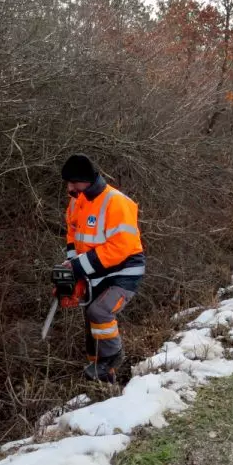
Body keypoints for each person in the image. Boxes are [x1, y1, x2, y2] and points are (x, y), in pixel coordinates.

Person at [59, 154, 145, 381]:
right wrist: (72, 266)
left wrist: (79, 266)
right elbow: (72, 233)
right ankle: (102, 379)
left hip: (125, 270)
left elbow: (120, 247)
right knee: (92, 322)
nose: (69, 188)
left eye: (72, 182)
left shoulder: (116, 202)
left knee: (99, 311)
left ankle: (114, 356)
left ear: (85, 179)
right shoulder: (77, 201)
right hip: (96, 269)